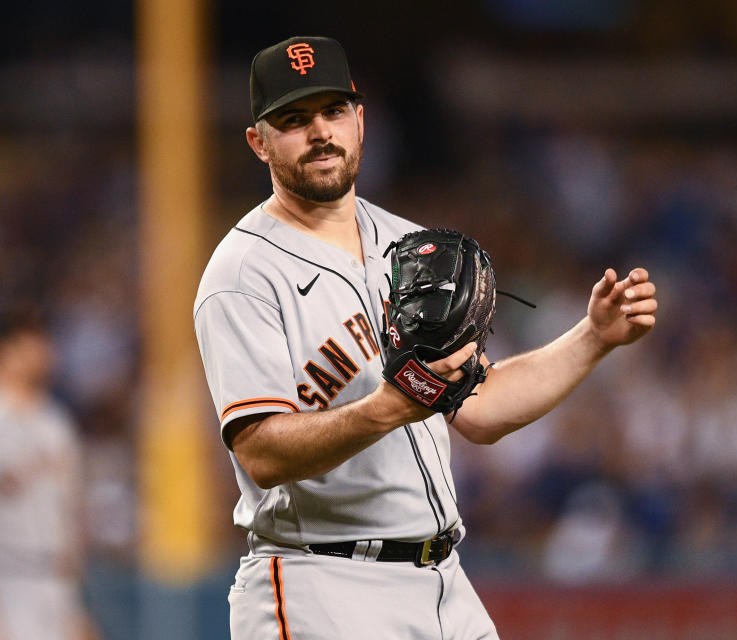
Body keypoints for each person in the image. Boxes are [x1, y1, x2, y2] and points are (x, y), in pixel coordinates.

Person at [194, 36, 658, 640]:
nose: (320, 132)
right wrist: (388, 409)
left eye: (334, 112)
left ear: (360, 122)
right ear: (259, 142)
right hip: (321, 583)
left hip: (443, 581)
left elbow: (480, 408)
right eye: (294, 120)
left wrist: (593, 337)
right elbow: (260, 452)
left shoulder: (409, 246)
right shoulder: (242, 273)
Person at [0, 310, 98, 640]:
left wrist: (77, 598)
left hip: (56, 575)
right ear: (7, 351)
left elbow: (72, 507)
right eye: (31, 343)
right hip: (10, 575)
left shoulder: (56, 422)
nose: (43, 352)